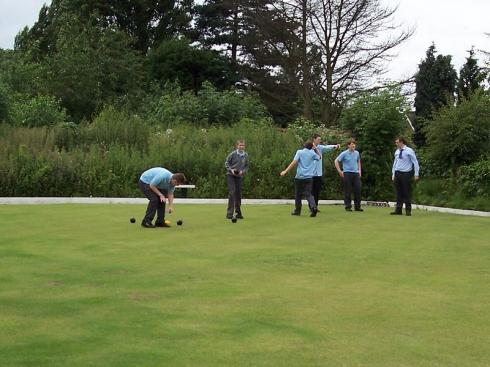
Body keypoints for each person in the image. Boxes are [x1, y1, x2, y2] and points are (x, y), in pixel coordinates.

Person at [280, 141, 320, 217]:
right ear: (311, 147)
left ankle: (297, 211)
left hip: (300, 176)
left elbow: (294, 162)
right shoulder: (312, 154)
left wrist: (286, 171)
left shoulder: (299, 152)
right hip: (309, 177)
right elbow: (319, 157)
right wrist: (316, 149)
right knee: (309, 194)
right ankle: (313, 207)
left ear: (304, 146)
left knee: (298, 194)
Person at [391, 136, 420, 216]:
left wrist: (416, 174)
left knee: (406, 192)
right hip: (397, 173)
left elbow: (415, 162)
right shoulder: (397, 151)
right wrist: (393, 174)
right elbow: (395, 163)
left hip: (406, 174)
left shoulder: (409, 151)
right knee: (398, 192)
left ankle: (408, 210)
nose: (396, 144)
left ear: (401, 142)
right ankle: (398, 210)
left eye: (397, 142)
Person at [312, 133, 340, 209]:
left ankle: (315, 207)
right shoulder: (309, 148)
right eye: (318, 139)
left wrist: (335, 146)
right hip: (310, 174)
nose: (320, 141)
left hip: (318, 174)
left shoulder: (320, 148)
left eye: (320, 140)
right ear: (314, 139)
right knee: (311, 192)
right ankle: (312, 206)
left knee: (317, 192)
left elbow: (327, 147)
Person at [334, 139, 363, 212]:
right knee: (348, 190)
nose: (353, 146)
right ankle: (348, 206)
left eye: (354, 144)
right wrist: (340, 171)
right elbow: (336, 161)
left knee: (358, 189)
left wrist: (359, 170)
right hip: (347, 173)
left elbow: (358, 161)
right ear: (348, 145)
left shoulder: (357, 153)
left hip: (355, 173)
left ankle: (357, 207)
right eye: (352, 144)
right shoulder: (344, 153)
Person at [225, 139, 249, 219]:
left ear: (244, 146)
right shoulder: (233, 154)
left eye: (243, 145)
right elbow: (226, 163)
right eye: (240, 145)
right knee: (232, 192)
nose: (241, 147)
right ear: (237, 146)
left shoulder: (246, 155)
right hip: (230, 175)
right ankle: (229, 214)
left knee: (238, 194)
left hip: (239, 176)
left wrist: (242, 171)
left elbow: (247, 166)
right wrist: (231, 170)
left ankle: (238, 213)